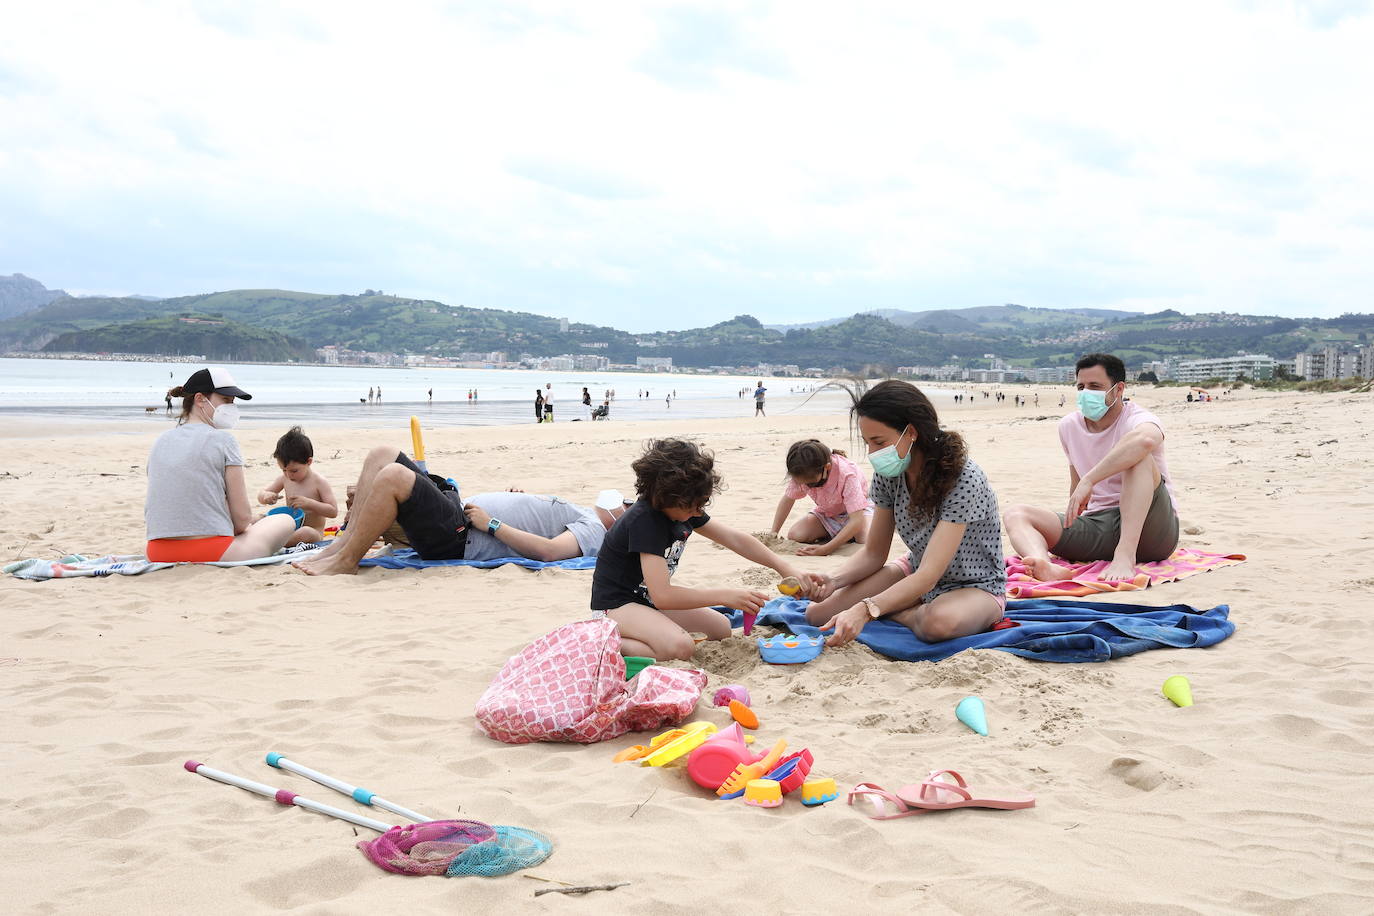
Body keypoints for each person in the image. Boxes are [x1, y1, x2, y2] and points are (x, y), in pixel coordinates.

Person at [800, 380, 1006, 646]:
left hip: (974, 584)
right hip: (915, 569)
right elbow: (874, 553)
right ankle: (902, 604)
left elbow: (930, 575)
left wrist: (868, 608)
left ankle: (898, 610)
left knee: (936, 624)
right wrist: (834, 580)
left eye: (879, 442)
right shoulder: (890, 474)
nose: (873, 453)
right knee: (817, 614)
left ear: (911, 432)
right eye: (867, 443)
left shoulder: (964, 479)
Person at [590, 438, 819, 661]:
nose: (699, 511)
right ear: (669, 497)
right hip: (616, 606)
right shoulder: (645, 521)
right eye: (695, 505)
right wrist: (724, 596)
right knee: (681, 647)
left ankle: (646, 631)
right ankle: (599, 642)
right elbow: (663, 596)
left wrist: (784, 566)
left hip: (645, 600)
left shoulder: (683, 509)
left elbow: (735, 539)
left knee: (720, 628)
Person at [294, 446, 628, 575]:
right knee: (381, 455)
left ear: (621, 520)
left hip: (461, 535)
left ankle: (346, 561)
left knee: (394, 475)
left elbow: (551, 552)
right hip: (459, 515)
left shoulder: (597, 529)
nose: (624, 502)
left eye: (628, 505)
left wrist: (493, 522)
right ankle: (340, 547)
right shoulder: (585, 513)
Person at [1003, 353, 1178, 583]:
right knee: (1016, 514)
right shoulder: (1069, 426)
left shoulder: (1138, 418)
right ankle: (1044, 564)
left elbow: (1145, 440)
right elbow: (1076, 484)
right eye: (1081, 387)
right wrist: (1071, 522)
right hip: (1099, 524)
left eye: (1095, 386)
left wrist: (1090, 479)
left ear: (1118, 390)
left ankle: (1125, 555)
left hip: (1151, 527)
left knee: (1139, 457)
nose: (1086, 393)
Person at [144, 367, 298, 563]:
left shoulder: (161, 441)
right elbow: (241, 521)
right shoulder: (224, 440)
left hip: (157, 552)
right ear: (200, 399)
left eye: (233, 402)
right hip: (213, 551)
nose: (231, 407)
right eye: (225, 400)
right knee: (284, 520)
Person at [770, 440, 872, 556]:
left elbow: (857, 519)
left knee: (865, 538)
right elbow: (788, 499)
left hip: (858, 512)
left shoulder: (847, 475)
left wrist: (827, 549)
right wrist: (774, 533)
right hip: (829, 513)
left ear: (826, 468)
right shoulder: (802, 472)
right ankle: (842, 534)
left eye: (811, 483)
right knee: (796, 534)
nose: (807, 485)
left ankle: (845, 534)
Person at [256, 426, 337, 545]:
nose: (289, 475)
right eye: (284, 470)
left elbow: (333, 511)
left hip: (312, 533)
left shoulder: (319, 482)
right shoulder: (284, 479)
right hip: (288, 529)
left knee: (305, 532)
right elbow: (261, 495)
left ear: (309, 462)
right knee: (256, 519)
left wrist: (309, 503)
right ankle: (272, 542)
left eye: (294, 471)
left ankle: (272, 544)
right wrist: (266, 496)